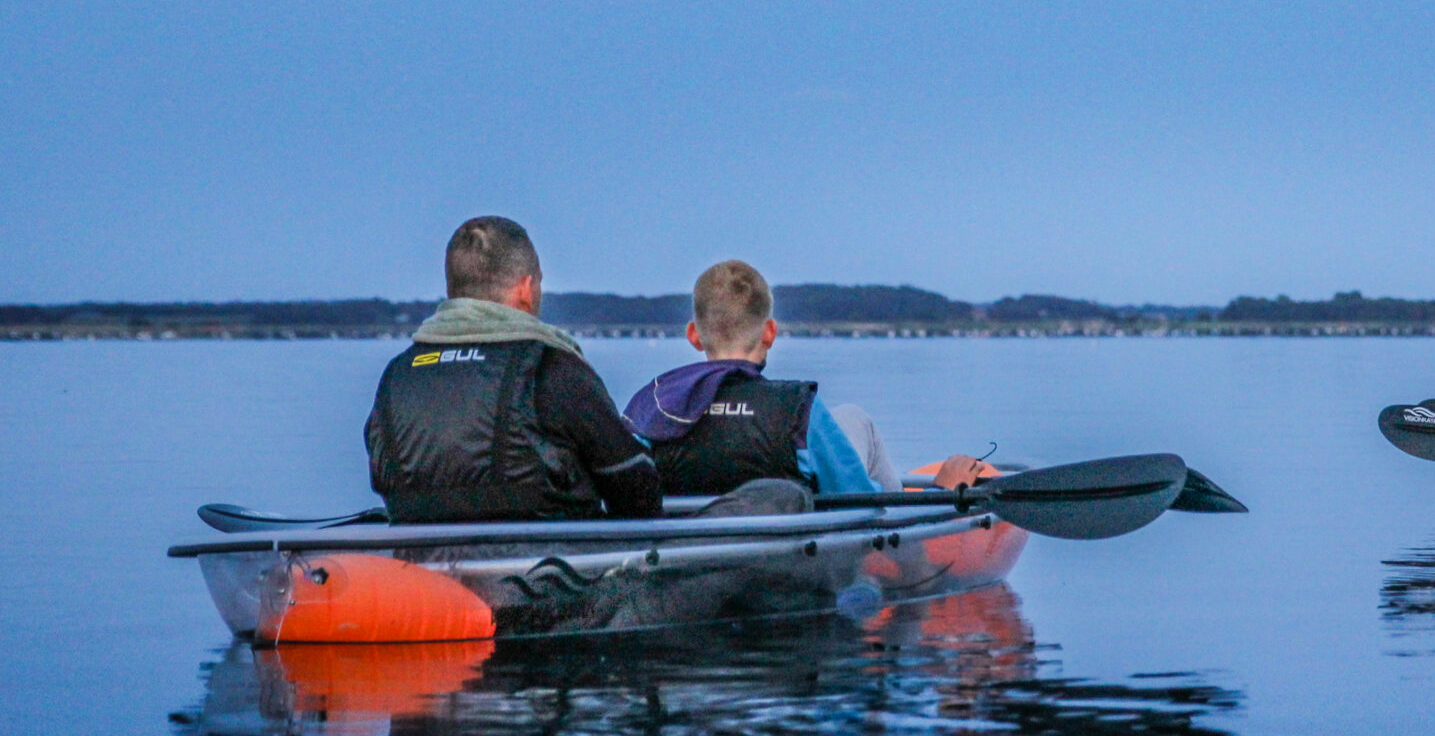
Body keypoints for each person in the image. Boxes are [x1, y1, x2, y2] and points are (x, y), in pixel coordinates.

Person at [366, 217, 662, 523]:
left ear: (452, 290)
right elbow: (634, 487)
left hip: (417, 562)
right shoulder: (552, 369)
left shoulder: (396, 376)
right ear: (526, 288)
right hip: (543, 563)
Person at [623, 260, 982, 503]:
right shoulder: (799, 412)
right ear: (770, 332)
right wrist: (943, 493)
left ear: (694, 335)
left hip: (684, 562)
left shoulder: (648, 408)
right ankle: (915, 572)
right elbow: (867, 507)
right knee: (855, 419)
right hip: (794, 570)